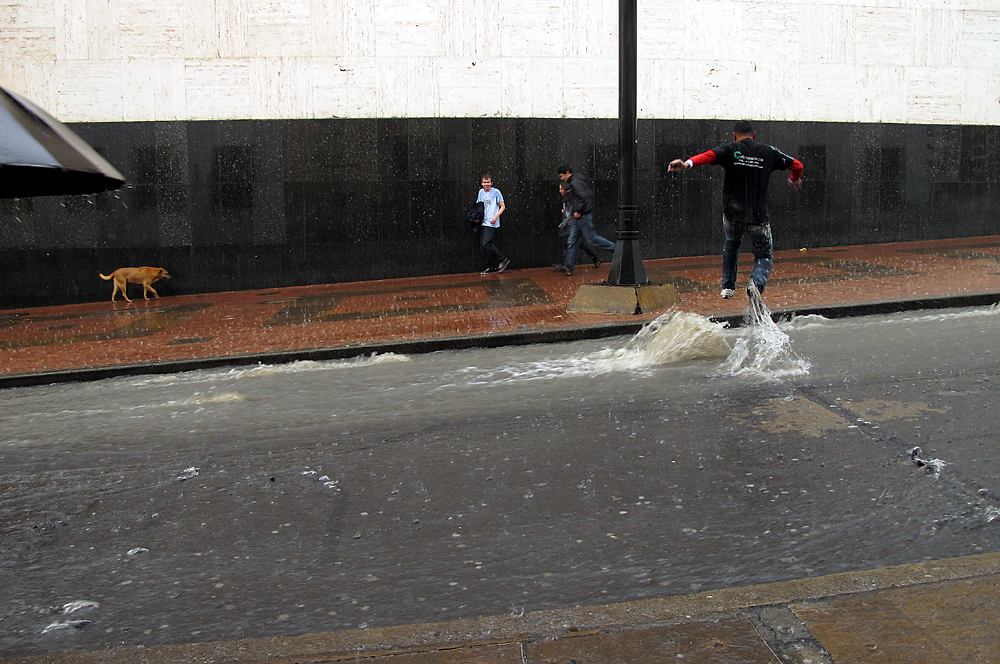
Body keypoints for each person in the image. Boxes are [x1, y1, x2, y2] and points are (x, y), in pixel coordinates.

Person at [668, 120, 803, 301]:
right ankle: (756, 283)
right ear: (754, 134)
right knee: (763, 255)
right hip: (757, 216)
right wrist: (794, 180)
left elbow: (708, 156)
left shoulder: (730, 149)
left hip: (732, 214)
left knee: (732, 244)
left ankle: (728, 287)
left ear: (734, 135)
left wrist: (686, 165)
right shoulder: (768, 152)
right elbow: (797, 165)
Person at [556, 165, 616, 276]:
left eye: (562, 176)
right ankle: (568, 266)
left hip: (581, 216)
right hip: (579, 216)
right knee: (572, 241)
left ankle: (616, 249)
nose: (562, 178)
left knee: (591, 239)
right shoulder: (576, 181)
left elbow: (585, 197)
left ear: (567, 172)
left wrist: (579, 210)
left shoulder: (575, 183)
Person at [556, 181, 600, 270]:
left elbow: (572, 213)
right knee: (577, 243)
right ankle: (595, 258)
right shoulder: (566, 199)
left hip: (573, 223)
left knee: (573, 242)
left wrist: (563, 223)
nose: (560, 191)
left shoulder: (571, 199)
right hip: (570, 224)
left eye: (561, 189)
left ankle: (565, 264)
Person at [476, 174, 509, 275]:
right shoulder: (481, 192)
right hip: (483, 222)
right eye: (484, 182)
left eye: (488, 182)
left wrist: (496, 216)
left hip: (492, 222)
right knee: (483, 246)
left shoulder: (496, 192)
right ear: (482, 183)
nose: (486, 184)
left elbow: (503, 206)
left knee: (487, 243)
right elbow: (479, 205)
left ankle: (502, 259)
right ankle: (491, 266)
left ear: (491, 183)